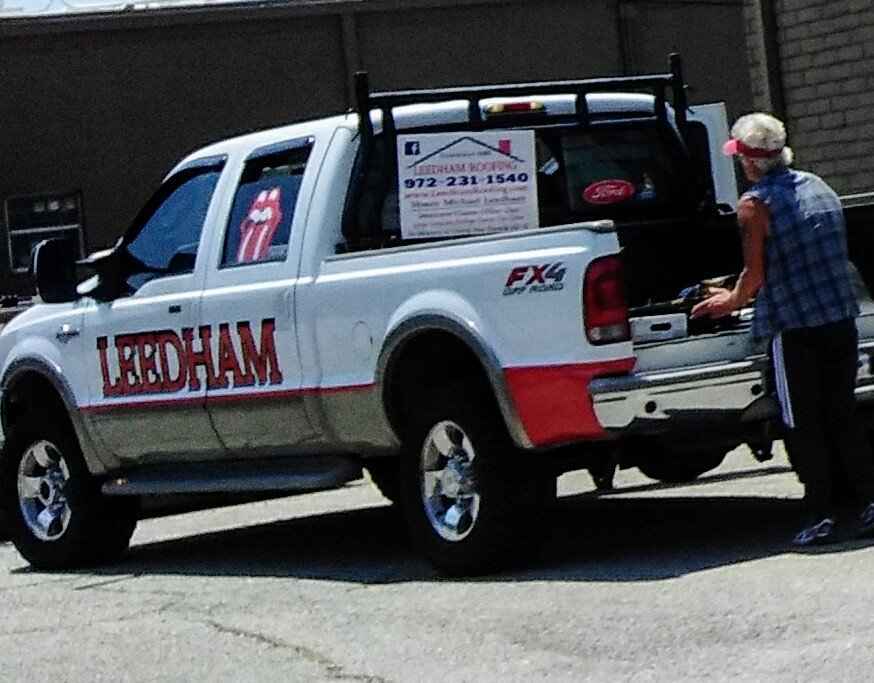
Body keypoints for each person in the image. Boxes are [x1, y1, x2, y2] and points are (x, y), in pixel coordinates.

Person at [691, 112, 874, 546]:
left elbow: (754, 276)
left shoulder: (754, 205)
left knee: (801, 422)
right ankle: (869, 502)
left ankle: (821, 515)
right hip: (839, 319)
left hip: (794, 329)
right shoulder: (819, 187)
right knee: (842, 415)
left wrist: (727, 300)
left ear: (751, 161)